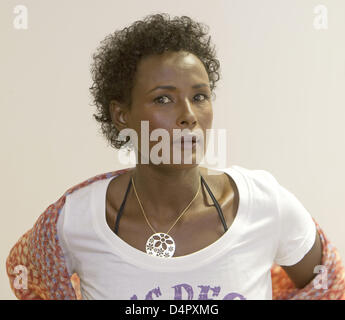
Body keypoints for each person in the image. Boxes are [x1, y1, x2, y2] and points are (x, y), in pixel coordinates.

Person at [6, 13, 345, 300]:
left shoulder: (264, 204)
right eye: (164, 99)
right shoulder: (76, 220)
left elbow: (329, 284)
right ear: (122, 115)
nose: (189, 115)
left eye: (199, 96)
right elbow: (28, 276)